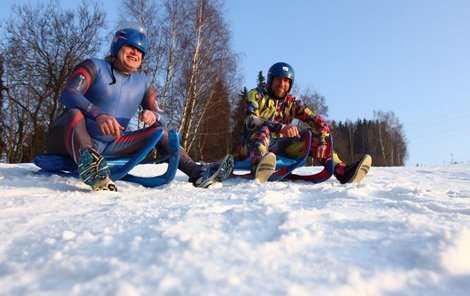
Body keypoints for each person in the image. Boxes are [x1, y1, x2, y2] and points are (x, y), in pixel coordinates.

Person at [45, 22, 233, 191]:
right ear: (117, 45)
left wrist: (153, 115)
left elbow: (163, 116)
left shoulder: (143, 83)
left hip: (111, 145)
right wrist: (97, 114)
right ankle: (90, 163)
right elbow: (69, 93)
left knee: (161, 130)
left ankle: (197, 172)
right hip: (69, 138)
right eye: (130, 47)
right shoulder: (94, 66)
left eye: (140, 51)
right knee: (74, 112)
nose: (136, 53)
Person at [238, 62, 371, 183]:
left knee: (312, 136)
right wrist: (280, 127)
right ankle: (259, 167)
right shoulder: (256, 95)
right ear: (270, 80)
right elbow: (251, 120)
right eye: (278, 79)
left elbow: (319, 122)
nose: (282, 84)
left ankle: (343, 171)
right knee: (263, 130)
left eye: (286, 81)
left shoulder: (292, 103)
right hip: (252, 146)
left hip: (279, 147)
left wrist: (323, 141)